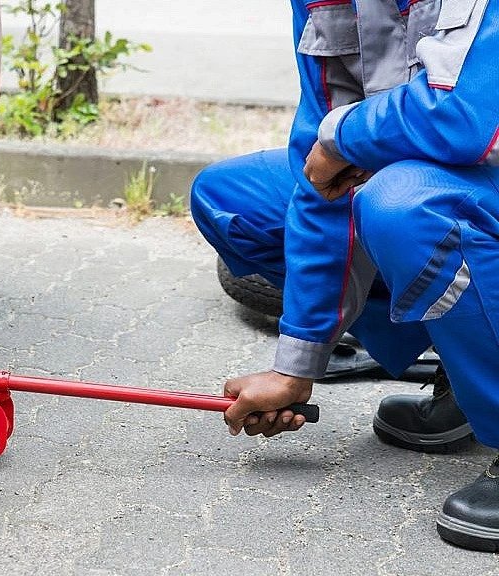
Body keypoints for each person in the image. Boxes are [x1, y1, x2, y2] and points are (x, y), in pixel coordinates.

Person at [190, 0, 499, 552]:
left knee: (403, 206)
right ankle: (467, 369)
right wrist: (296, 365)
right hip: (445, 172)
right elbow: (322, 171)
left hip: (475, 161)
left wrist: (346, 137)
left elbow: (464, 117)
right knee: (232, 200)